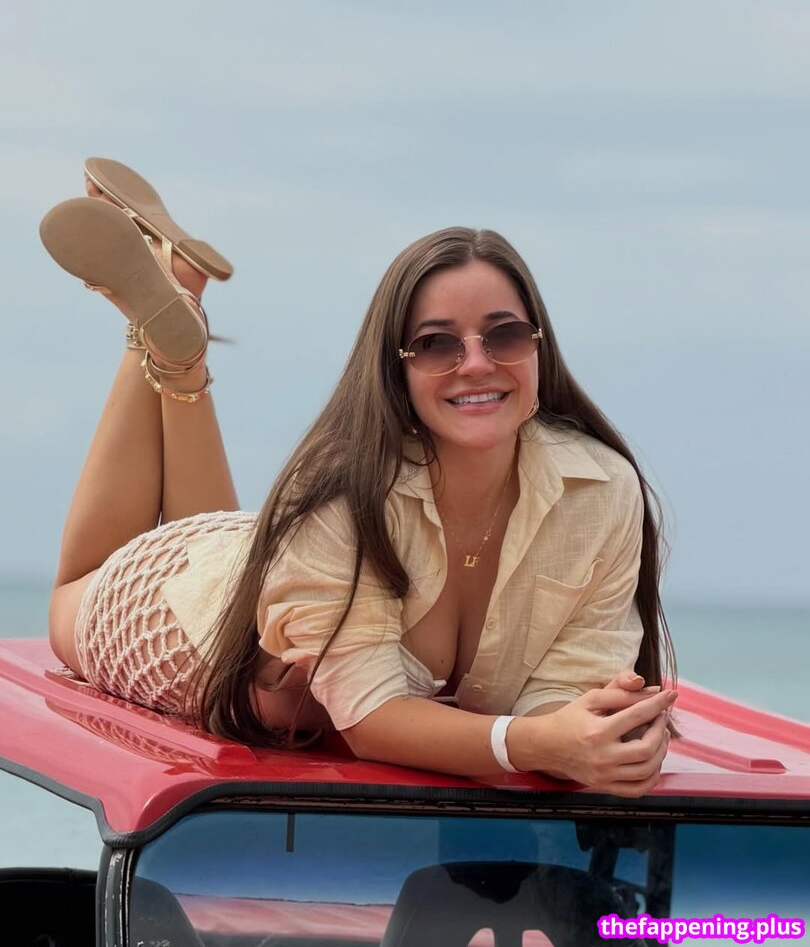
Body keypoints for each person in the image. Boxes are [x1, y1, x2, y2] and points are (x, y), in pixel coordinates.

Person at [44, 160, 676, 797]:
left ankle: (178, 317)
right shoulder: (337, 492)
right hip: (178, 620)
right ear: (395, 368)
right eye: (436, 344)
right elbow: (373, 721)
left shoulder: (599, 488)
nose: (476, 364)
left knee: (248, 555)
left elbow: (567, 698)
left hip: (268, 557)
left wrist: (598, 732)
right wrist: (541, 743)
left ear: (540, 344)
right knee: (73, 589)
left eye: (504, 335)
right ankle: (155, 337)